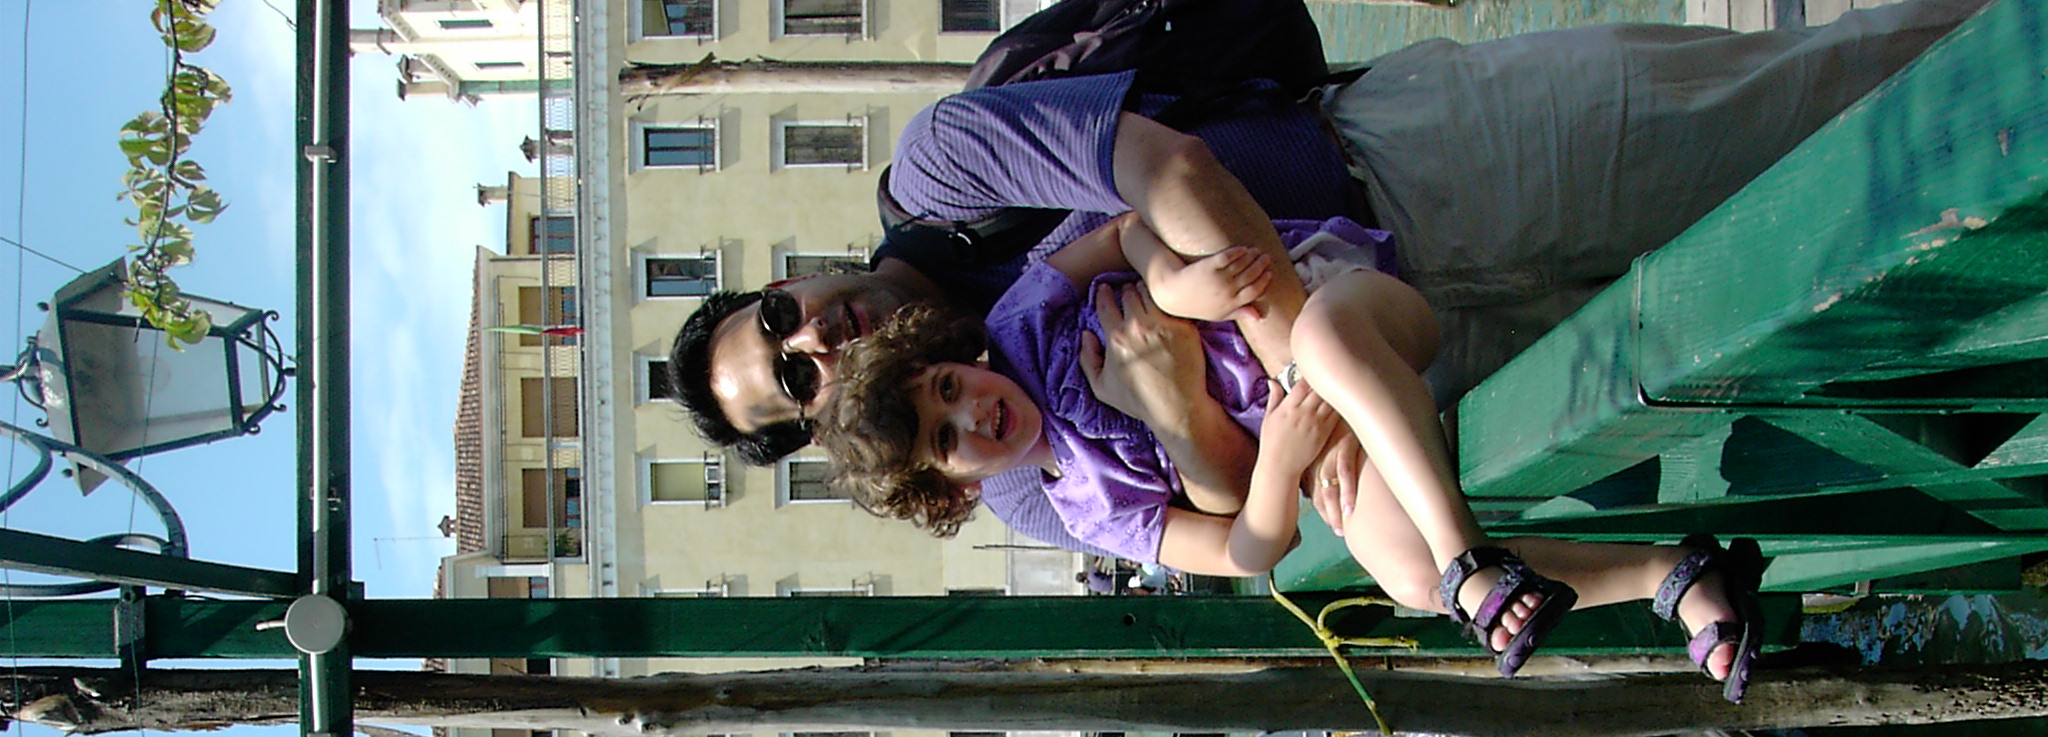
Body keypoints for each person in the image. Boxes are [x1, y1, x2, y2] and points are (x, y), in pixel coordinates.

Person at [669, 1, 1986, 551]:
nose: (814, 340)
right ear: (821, 425)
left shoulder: (946, 172)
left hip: (1425, 165)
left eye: (779, 315)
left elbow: (1167, 172)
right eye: (794, 381)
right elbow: (1217, 521)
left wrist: (1302, 360)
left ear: (793, 276)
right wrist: (1188, 412)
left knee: (1809, 102)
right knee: (1806, 314)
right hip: (1436, 369)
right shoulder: (1008, 478)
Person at [811, 209, 1766, 685]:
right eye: (947, 441)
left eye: (949, 389)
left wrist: (1175, 287)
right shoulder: (1086, 506)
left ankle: (1470, 558)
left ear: (953, 356)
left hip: (1336, 306)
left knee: (1325, 343)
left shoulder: (1025, 319)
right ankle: (1675, 574)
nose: (973, 415)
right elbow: (1243, 550)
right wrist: (1276, 461)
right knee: (1405, 575)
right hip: (1317, 441)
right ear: (955, 491)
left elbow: (1130, 230)